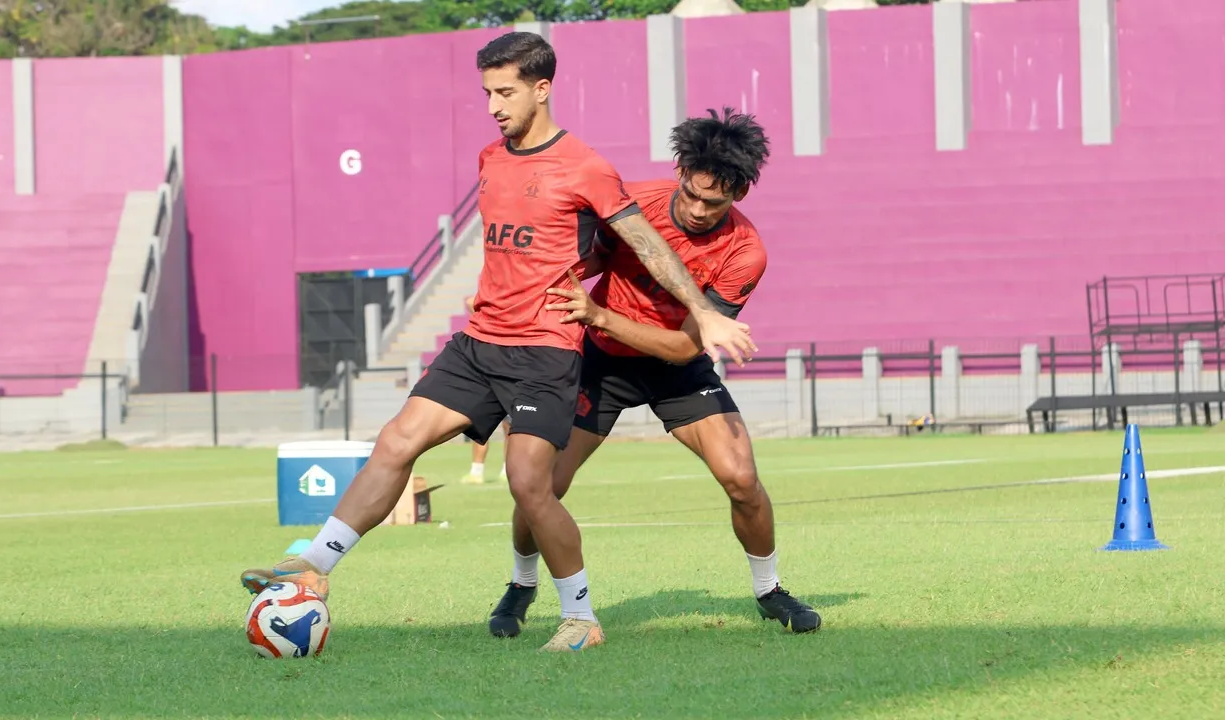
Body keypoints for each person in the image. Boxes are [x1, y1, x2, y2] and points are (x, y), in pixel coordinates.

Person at [239, 32, 757, 653]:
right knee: (396, 442)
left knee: (529, 484)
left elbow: (648, 244)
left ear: (542, 89)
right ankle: (313, 568)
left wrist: (704, 311)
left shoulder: (587, 167)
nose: (493, 104)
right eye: (487, 91)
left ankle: (580, 618)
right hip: (480, 340)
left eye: (505, 91)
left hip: (545, 351)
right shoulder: (491, 157)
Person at [485, 108, 822, 639]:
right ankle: (520, 584)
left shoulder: (746, 252)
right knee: (543, 485)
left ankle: (769, 589)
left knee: (742, 479)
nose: (698, 210)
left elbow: (684, 345)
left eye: (715, 203)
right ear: (680, 172)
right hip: (600, 361)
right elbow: (589, 259)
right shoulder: (634, 202)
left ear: (739, 196)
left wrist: (597, 313)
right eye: (691, 192)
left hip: (675, 367)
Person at [461, 295, 511, 485]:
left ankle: (506, 469)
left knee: (510, 429)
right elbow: (469, 301)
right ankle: (477, 471)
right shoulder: (494, 320)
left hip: (508, 376)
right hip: (489, 375)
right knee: (480, 427)